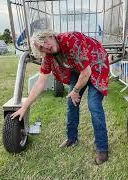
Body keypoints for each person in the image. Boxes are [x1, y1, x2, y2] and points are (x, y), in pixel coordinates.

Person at [11, 31, 110, 165]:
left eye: (45, 41)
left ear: (51, 36)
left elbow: (86, 72)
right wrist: (25, 106)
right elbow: (40, 82)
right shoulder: (48, 56)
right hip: (79, 69)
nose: (46, 47)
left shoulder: (70, 40)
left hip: (96, 63)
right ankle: (72, 138)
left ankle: (102, 148)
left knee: (94, 105)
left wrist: (75, 90)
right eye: (41, 47)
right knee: (71, 103)